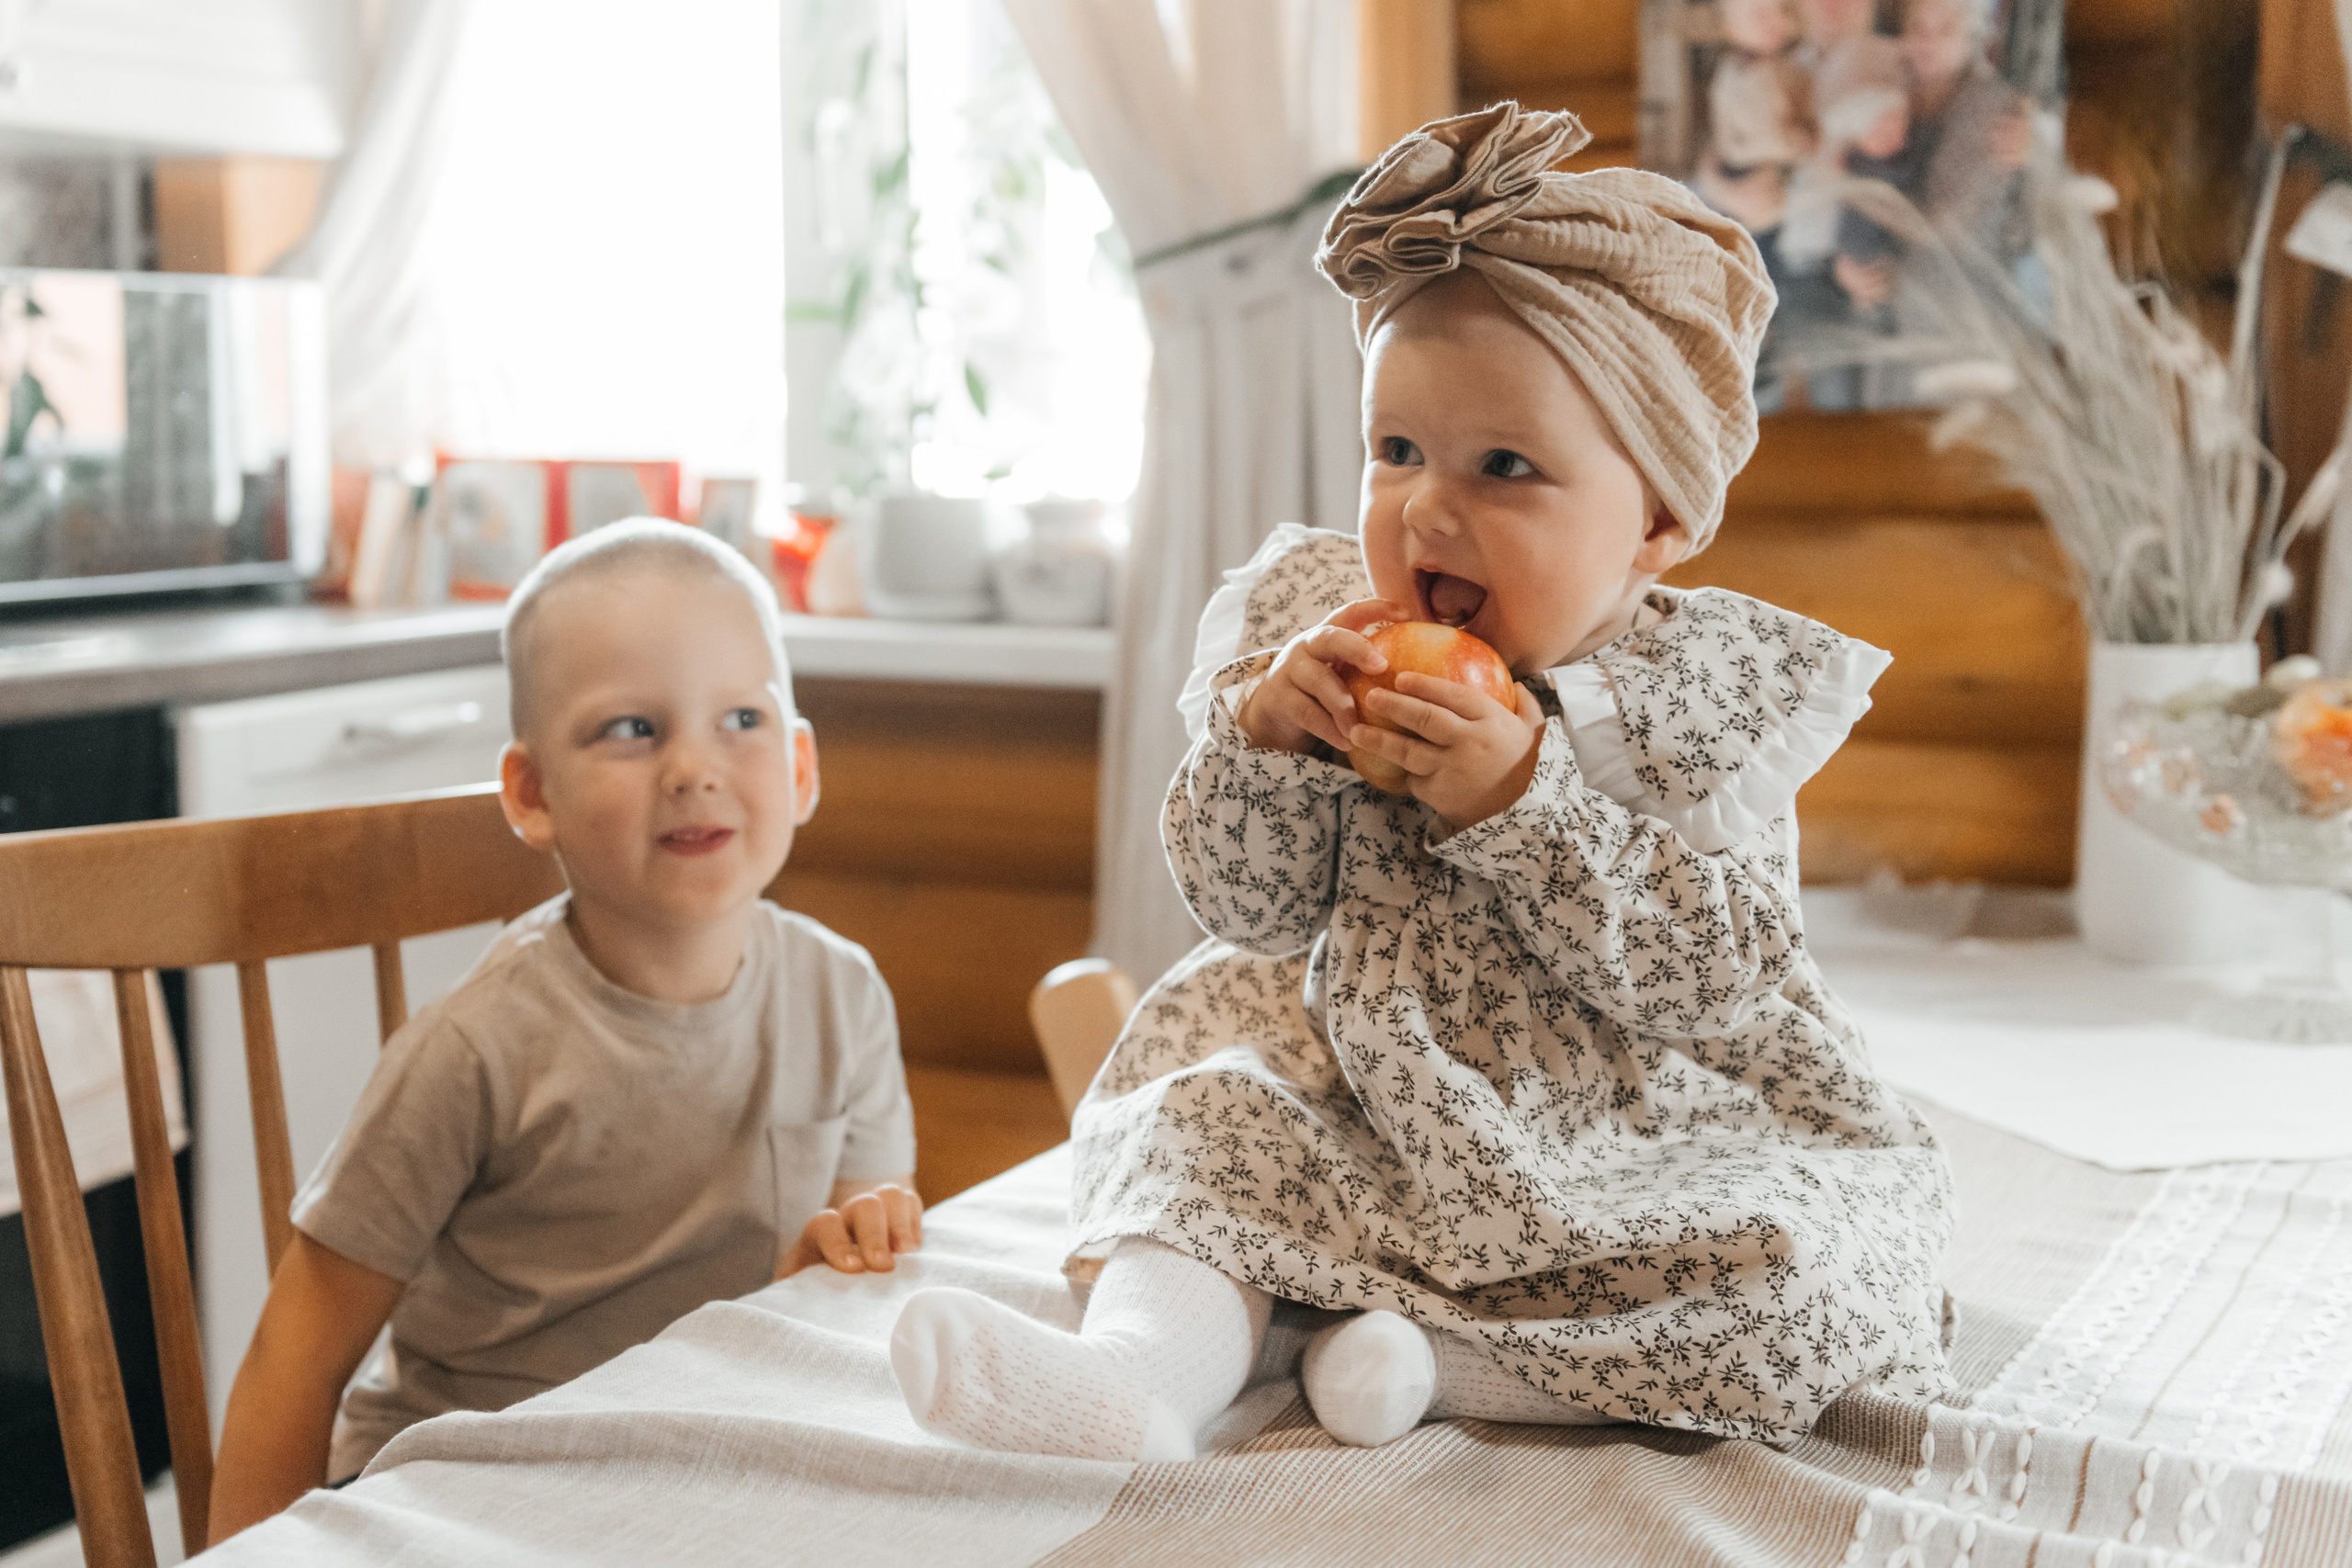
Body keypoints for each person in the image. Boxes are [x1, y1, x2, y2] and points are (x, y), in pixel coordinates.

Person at [888, 105, 1956, 1462]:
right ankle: (1143, 1380)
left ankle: (1432, 1362)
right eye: (1395, 452)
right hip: (1363, 1092)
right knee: (1199, 1123)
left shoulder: (1700, 702)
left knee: (1810, 1278)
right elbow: (1253, 911)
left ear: (1659, 523)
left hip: (1633, 1133)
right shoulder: (1319, 628)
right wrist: (1265, 743)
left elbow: (1715, 974)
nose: (1425, 510)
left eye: (1504, 466)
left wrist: (1526, 799)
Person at [207, 519, 922, 1542]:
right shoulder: (475, 1051)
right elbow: (299, 1353)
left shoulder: (841, 996)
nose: (692, 766)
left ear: (800, 767)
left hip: (691, 1487)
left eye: (740, 719)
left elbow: (847, 1289)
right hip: (463, 1506)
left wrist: (851, 1244)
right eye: (632, 730)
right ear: (532, 794)